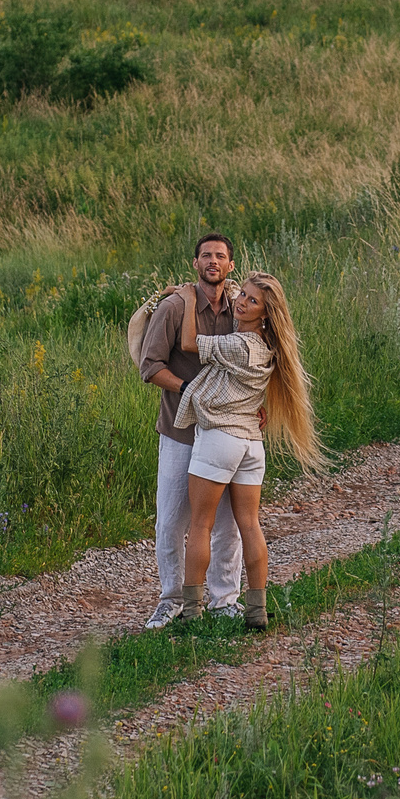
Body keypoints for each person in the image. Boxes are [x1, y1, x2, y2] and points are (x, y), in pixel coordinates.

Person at [171, 271, 324, 630]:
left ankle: (191, 611)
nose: (241, 302)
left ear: (265, 313)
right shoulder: (268, 348)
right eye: (242, 294)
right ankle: (257, 610)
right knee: (250, 525)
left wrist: (190, 298)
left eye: (252, 301)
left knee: (201, 524)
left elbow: (189, 342)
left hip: (221, 439)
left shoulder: (239, 346)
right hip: (252, 445)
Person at [137, 234, 244, 627]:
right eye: (206, 255)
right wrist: (190, 391)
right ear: (195, 264)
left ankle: (224, 600)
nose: (213, 261)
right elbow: (150, 367)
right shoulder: (173, 308)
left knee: (229, 522)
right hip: (180, 429)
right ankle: (171, 600)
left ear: (230, 265)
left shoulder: (240, 309)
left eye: (220, 256)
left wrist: (257, 404)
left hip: (228, 430)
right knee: (171, 521)